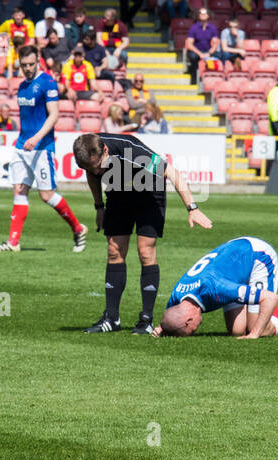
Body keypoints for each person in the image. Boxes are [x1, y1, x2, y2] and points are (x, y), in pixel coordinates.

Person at [72, 131, 213, 334]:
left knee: (145, 251)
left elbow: (171, 173)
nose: (96, 171)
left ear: (105, 150)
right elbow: (92, 174)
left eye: (98, 166)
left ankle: (145, 320)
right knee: (114, 250)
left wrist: (193, 208)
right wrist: (99, 207)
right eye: (90, 168)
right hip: (118, 191)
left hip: (149, 191)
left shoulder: (131, 151)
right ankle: (111, 319)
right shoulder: (90, 154)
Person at [0, 46, 88, 254]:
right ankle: (13, 242)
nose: (27, 68)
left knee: (46, 195)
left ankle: (78, 228)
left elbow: (54, 115)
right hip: (22, 146)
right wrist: (27, 139)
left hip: (41, 147)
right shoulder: (22, 86)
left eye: (31, 64)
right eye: (23, 65)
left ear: (38, 61)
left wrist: (36, 138)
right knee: (19, 189)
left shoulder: (47, 83)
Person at [155, 237, 278, 339]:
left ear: (188, 321)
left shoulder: (217, 288)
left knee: (258, 328)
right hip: (234, 263)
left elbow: (270, 298)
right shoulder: (178, 296)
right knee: (237, 330)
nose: (195, 331)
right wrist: (164, 327)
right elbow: (172, 315)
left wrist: (255, 334)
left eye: (190, 331)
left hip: (258, 257)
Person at [184, 7, 219, 74]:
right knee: (193, 57)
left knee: (219, 55)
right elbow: (189, 44)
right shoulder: (193, 28)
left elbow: (215, 43)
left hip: (208, 51)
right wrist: (200, 54)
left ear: (208, 15)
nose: (202, 14)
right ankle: (194, 76)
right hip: (196, 51)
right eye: (201, 13)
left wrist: (209, 53)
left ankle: (213, 75)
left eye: (204, 13)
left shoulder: (212, 28)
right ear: (198, 16)